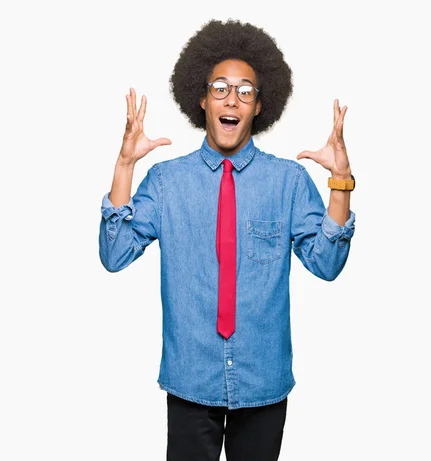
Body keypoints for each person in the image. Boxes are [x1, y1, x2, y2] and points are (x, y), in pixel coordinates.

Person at [99, 18, 356, 461]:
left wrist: (340, 182)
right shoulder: (166, 182)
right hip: (190, 378)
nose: (231, 98)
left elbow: (327, 265)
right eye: (219, 87)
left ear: (259, 105)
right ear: (201, 98)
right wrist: (124, 168)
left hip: (263, 383)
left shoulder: (288, 182)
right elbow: (114, 254)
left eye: (245, 90)